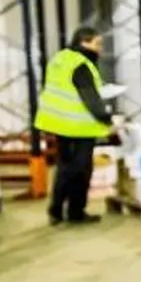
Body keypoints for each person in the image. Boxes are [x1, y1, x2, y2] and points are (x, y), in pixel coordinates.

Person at [35, 26, 115, 226]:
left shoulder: (60, 59)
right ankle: (75, 212)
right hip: (79, 126)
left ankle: (56, 210)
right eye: (97, 44)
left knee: (64, 168)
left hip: (58, 123)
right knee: (80, 170)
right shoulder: (81, 64)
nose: (99, 49)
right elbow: (90, 97)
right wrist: (107, 119)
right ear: (84, 42)